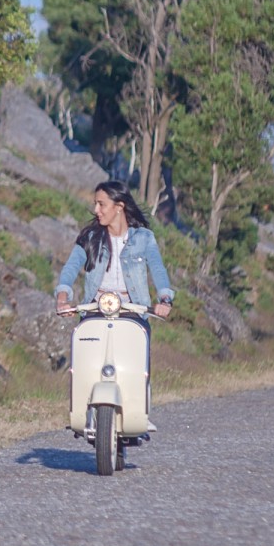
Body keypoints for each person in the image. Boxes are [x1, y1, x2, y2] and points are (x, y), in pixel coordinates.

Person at [54, 180, 175, 430]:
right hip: (95, 309)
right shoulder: (90, 237)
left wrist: (165, 298)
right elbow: (71, 268)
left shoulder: (143, 238)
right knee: (85, 360)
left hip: (133, 310)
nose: (96, 210)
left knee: (138, 357)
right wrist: (63, 296)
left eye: (102, 204)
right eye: (95, 204)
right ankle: (81, 407)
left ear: (119, 206)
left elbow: (158, 269)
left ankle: (140, 409)